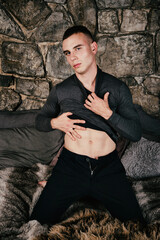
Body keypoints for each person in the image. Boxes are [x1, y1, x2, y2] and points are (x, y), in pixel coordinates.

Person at [30, 25, 144, 225]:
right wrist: (55, 122)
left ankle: (85, 192)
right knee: (38, 222)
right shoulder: (61, 90)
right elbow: (40, 121)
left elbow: (134, 133)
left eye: (78, 48)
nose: (72, 57)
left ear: (93, 47)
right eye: (67, 52)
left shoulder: (117, 88)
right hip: (70, 167)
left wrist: (107, 113)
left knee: (136, 224)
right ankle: (63, 187)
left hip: (107, 168)